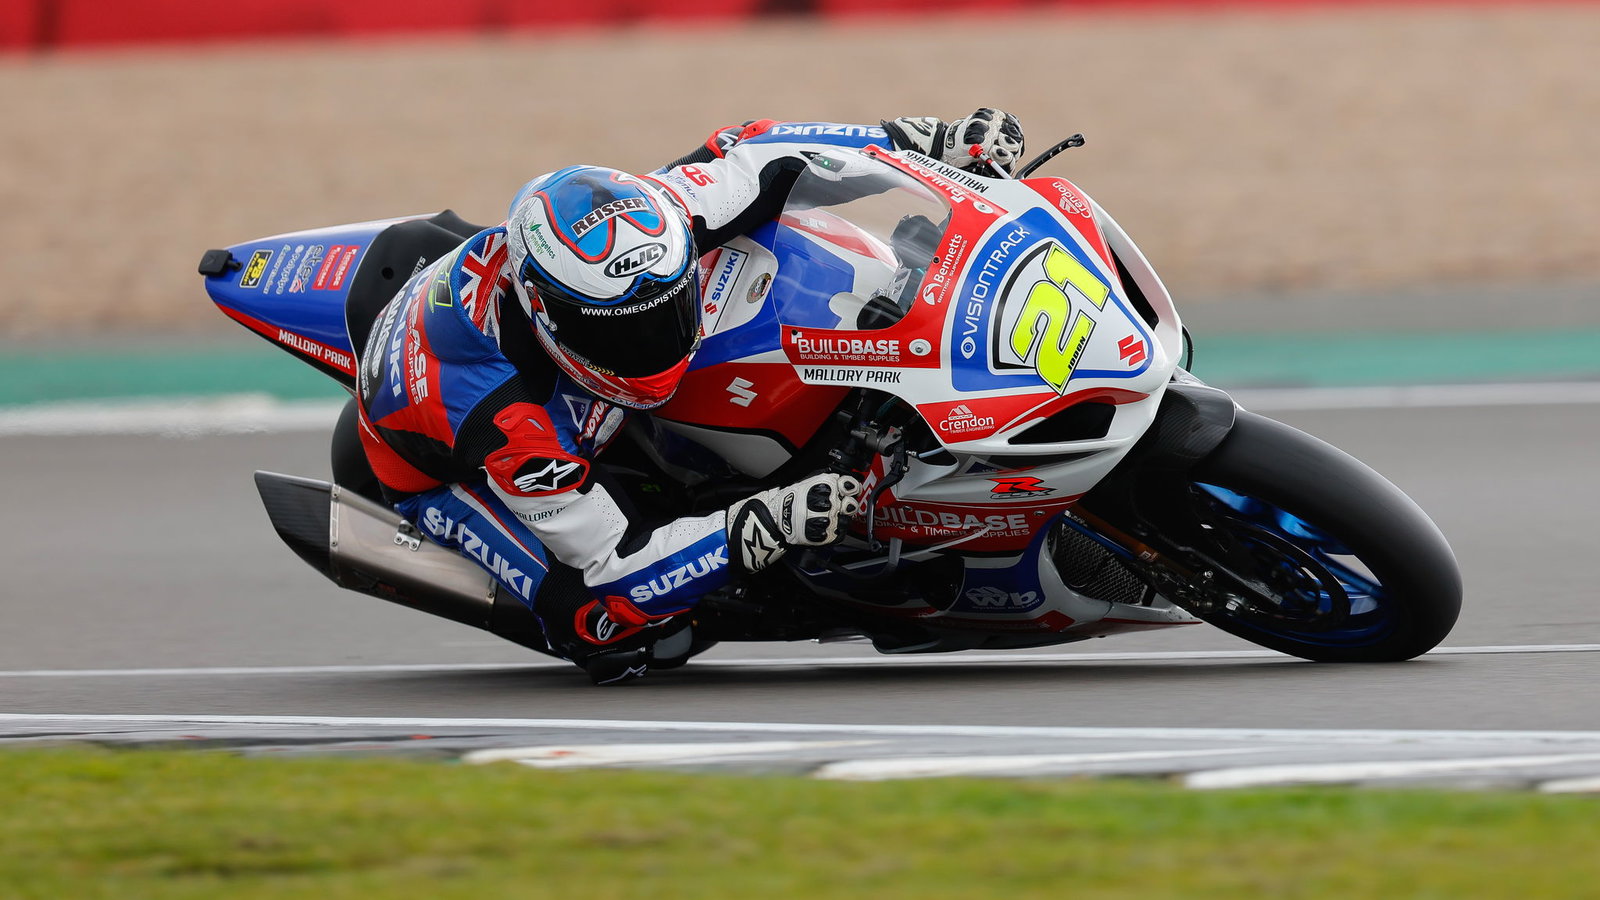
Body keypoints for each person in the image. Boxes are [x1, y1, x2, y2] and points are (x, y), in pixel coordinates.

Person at [346, 109, 1025, 683]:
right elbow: (608, 568)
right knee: (606, 630)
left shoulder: (660, 216)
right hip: (438, 458)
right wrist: (758, 524)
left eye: (667, 310)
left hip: (540, 344)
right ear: (549, 317)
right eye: (627, 331)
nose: (656, 341)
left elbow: (770, 149)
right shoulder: (507, 425)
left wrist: (927, 145)